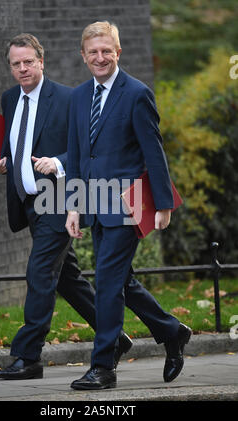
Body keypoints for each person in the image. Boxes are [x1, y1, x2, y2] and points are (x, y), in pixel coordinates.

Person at [0, 33, 132, 380]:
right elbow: (23, 139)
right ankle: (115, 337)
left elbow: (89, 147)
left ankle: (28, 357)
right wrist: (9, 159)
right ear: (10, 67)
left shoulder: (70, 98)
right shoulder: (10, 99)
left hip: (60, 199)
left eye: (28, 62)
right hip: (29, 203)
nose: (23, 69)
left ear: (42, 61)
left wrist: (58, 161)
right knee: (67, 279)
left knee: (39, 272)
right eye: (16, 64)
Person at [65, 21, 192, 390]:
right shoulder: (78, 97)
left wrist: (163, 204)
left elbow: (154, 151)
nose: (100, 57)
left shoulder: (136, 93)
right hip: (93, 203)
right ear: (84, 56)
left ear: (118, 52)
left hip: (127, 203)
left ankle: (103, 366)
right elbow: (76, 155)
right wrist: (73, 206)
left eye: (107, 51)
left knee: (106, 281)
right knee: (121, 279)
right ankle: (171, 331)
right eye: (94, 52)